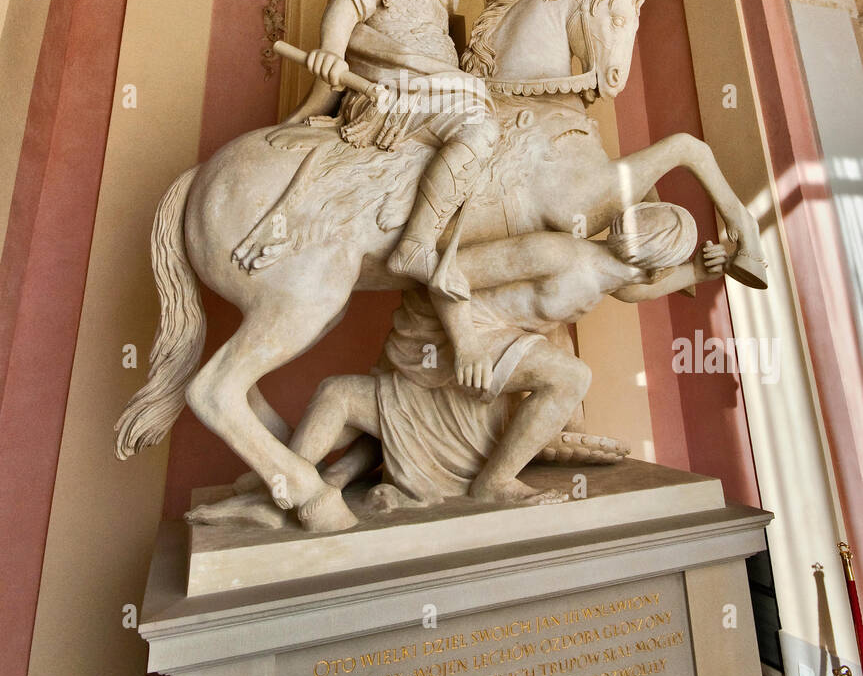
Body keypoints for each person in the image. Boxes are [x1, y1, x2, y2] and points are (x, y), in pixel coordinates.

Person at [289, 202, 730, 508]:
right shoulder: (555, 253)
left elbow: (636, 289)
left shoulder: (610, 274)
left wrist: (699, 271)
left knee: (566, 377)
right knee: (570, 377)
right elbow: (447, 274)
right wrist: (467, 345)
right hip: (452, 333)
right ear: (656, 260)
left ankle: (488, 478)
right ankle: (495, 483)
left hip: (500, 340)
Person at [268, 0, 499, 296]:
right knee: (480, 128)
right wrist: (332, 53)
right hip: (393, 89)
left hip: (437, 84)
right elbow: (347, 6)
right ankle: (415, 246)